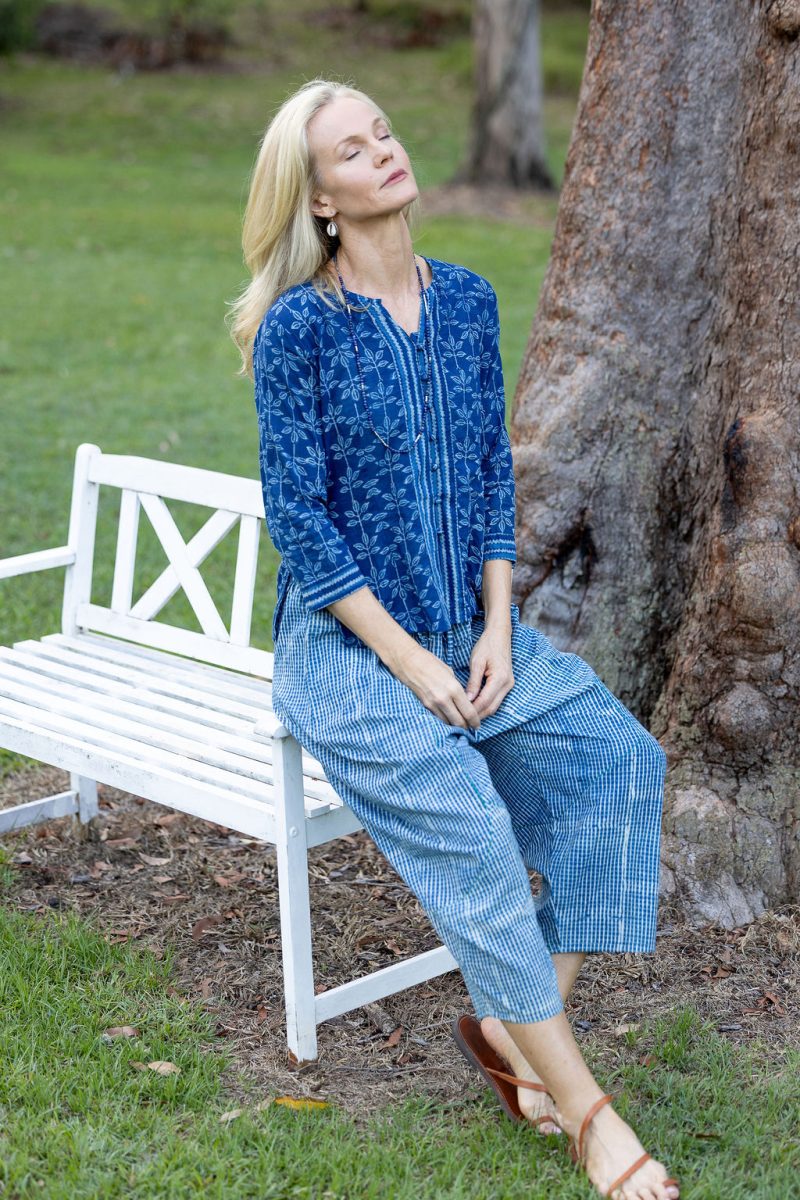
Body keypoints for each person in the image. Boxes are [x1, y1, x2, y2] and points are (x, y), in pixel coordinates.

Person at [229, 78, 680, 1200]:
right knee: (474, 827)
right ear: (320, 197)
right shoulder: (299, 333)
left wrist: (493, 627)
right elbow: (304, 522)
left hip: (469, 629)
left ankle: (505, 1020)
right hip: (347, 658)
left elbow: (488, 474)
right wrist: (413, 662)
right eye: (351, 148)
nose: (382, 149)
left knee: (619, 762)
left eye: (384, 128)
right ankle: (586, 1119)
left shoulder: (469, 300)